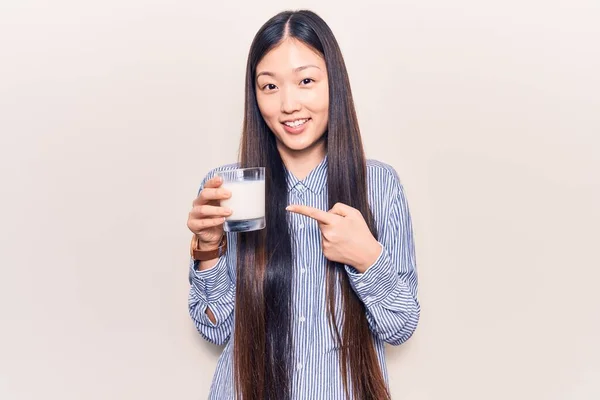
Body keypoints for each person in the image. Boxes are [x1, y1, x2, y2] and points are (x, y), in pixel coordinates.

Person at [186, 9, 420, 400]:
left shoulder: (378, 185)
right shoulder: (235, 189)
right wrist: (209, 249)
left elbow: (400, 326)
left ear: (334, 84)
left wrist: (366, 258)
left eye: (306, 81)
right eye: (270, 87)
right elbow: (217, 329)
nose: (288, 104)